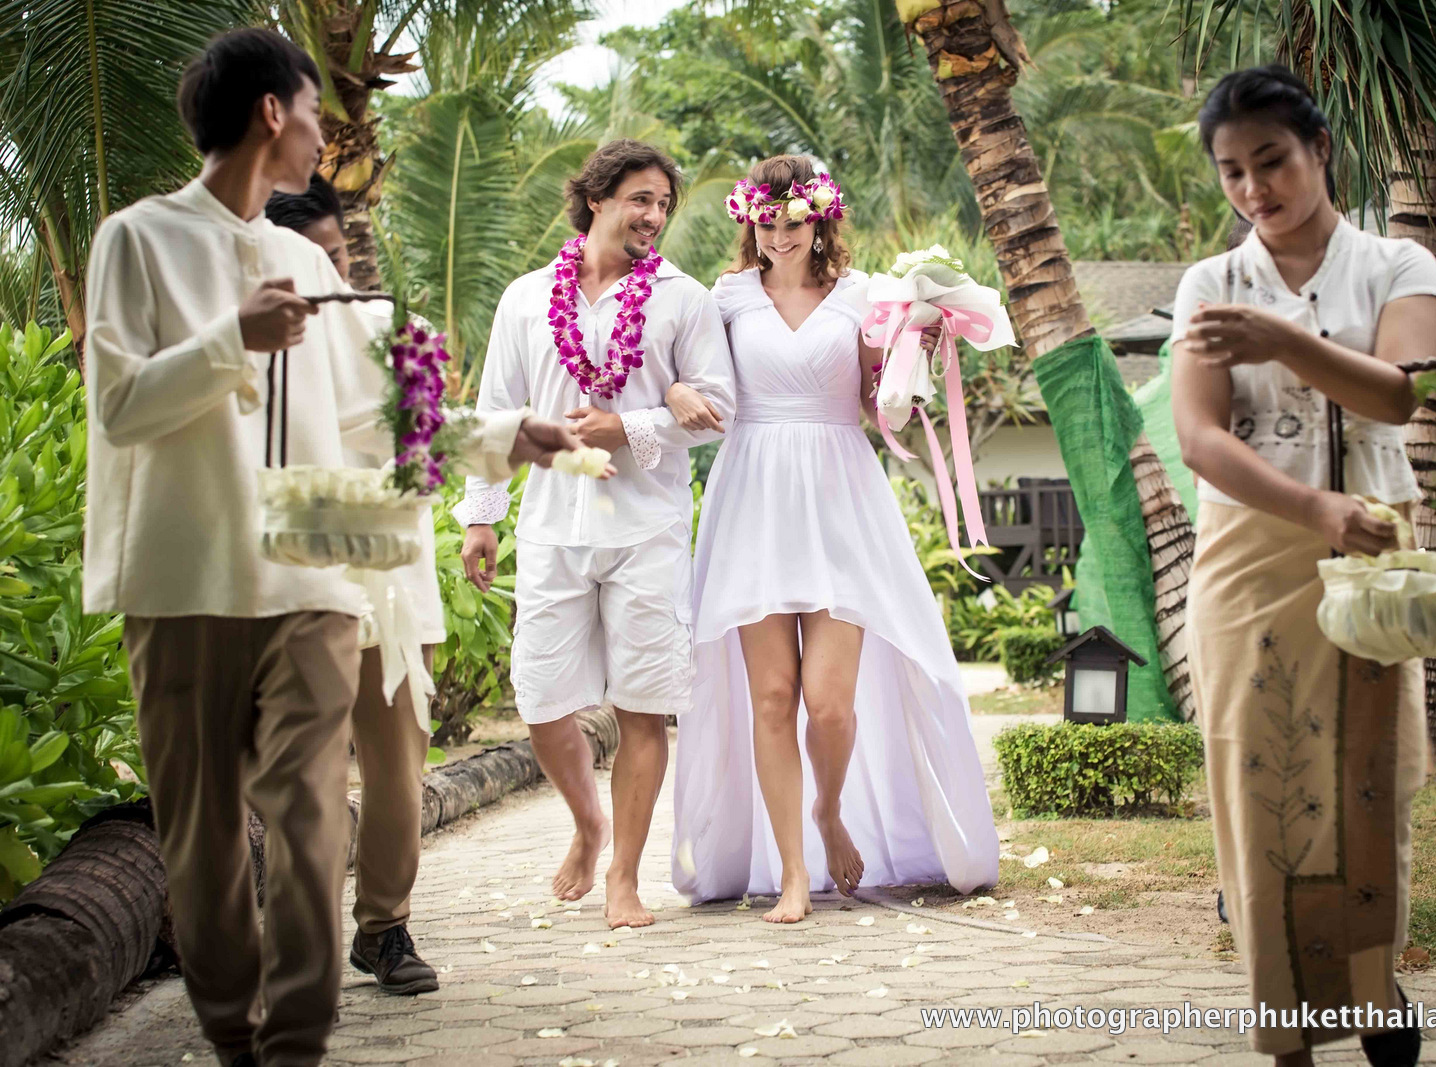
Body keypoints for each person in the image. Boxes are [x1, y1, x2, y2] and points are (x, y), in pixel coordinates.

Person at [84, 28, 579, 1067]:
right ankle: (236, 1030)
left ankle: (302, 1029)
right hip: (184, 582)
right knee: (204, 832)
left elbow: (380, 419)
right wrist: (230, 340)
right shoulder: (136, 240)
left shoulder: (305, 261)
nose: (324, 136)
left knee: (310, 815)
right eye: (314, 113)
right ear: (273, 112)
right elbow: (121, 407)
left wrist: (503, 433)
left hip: (308, 580)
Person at [1170, 66, 1436, 1067]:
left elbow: (1398, 395)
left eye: (1272, 161)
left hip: (1370, 549)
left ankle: (1371, 986)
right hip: (1248, 554)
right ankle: (1286, 1029)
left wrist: (1280, 340)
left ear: (1320, 149)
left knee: (1372, 775)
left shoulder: (1397, 264)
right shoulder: (1209, 283)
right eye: (1232, 172)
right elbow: (1200, 437)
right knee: (1260, 789)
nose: (1254, 189)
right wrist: (1309, 505)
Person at [666, 155, 999, 923]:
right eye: (767, 222)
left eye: (794, 222)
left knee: (830, 704)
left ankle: (830, 807)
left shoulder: (862, 296)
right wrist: (678, 389)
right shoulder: (725, 299)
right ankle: (791, 870)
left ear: (820, 220)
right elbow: (681, 372)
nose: (779, 236)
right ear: (749, 220)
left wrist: (916, 350)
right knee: (772, 696)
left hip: (840, 495)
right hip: (752, 497)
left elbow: (885, 399)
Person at [456, 139, 736, 930]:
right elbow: (495, 410)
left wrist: (630, 425)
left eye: (663, 204)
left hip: (648, 527)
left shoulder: (683, 299)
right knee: (540, 697)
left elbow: (721, 406)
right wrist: (481, 515)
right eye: (641, 199)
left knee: (643, 705)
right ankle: (588, 823)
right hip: (552, 525)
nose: (654, 216)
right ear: (597, 198)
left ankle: (625, 877)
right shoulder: (525, 298)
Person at [264, 175, 435, 996]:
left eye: (336, 256)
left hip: (390, 576)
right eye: (310, 262)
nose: (331, 276)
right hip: (296, 577)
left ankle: (385, 927)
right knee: (304, 769)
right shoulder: (252, 345)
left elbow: (425, 452)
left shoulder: (397, 331)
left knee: (397, 766)